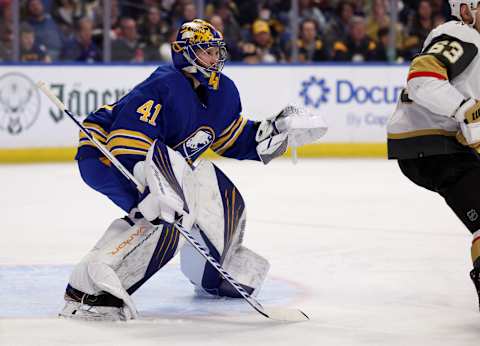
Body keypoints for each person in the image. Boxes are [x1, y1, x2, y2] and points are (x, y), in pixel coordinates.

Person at [60, 19, 327, 321]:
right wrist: (155, 186)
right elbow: (127, 139)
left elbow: (233, 138)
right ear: (184, 53)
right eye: (206, 51)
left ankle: (214, 274)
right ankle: (88, 293)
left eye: (217, 51)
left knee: (208, 184)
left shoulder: (222, 91)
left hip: (162, 163)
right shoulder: (164, 84)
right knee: (164, 218)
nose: (215, 58)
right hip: (106, 155)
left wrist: (275, 132)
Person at [387, 0, 480, 311]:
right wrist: (464, 110)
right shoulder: (461, 35)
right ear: (466, 10)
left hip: (444, 147)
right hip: (433, 144)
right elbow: (422, 77)